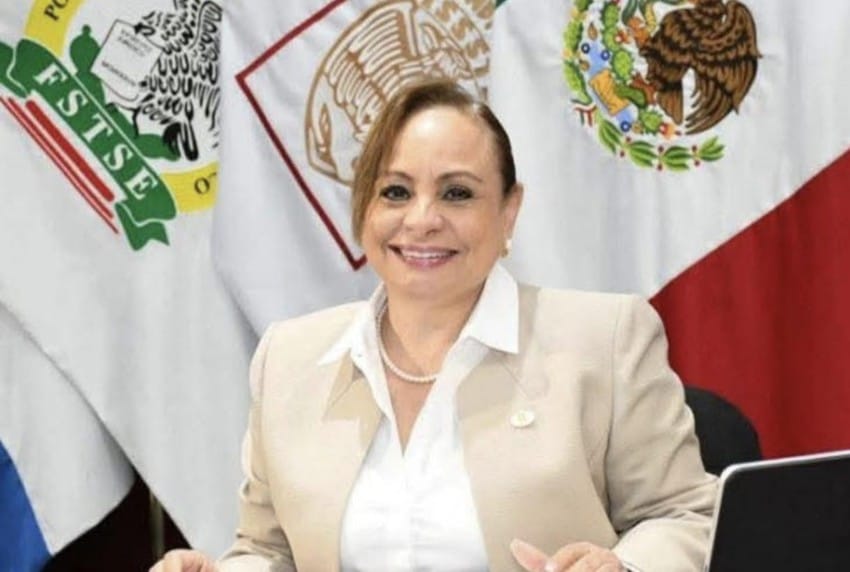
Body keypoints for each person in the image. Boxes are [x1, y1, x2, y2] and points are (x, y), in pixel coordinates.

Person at [151, 79, 716, 572]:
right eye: (395, 192)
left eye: (457, 193)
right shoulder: (288, 357)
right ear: (365, 209)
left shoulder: (606, 338)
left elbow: (684, 515)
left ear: (509, 211)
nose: (422, 219)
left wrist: (623, 566)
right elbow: (268, 549)